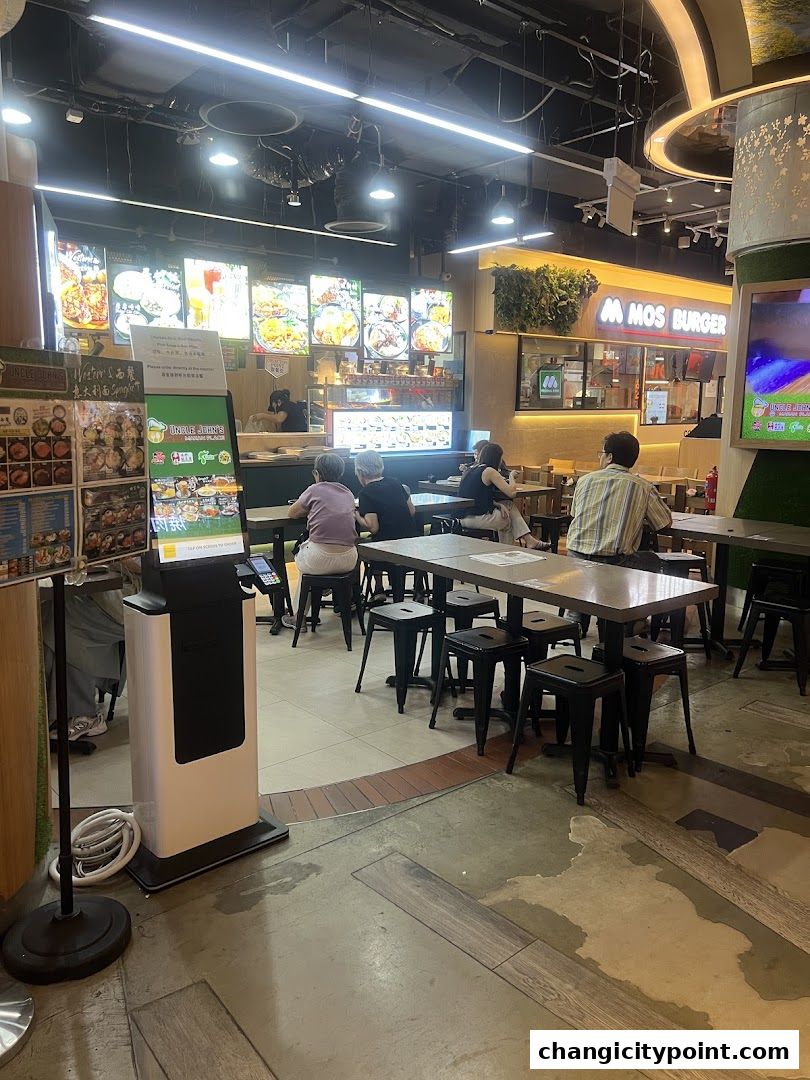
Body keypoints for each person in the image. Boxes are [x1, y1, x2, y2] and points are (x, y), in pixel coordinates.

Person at [564, 431, 672, 635]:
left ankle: (576, 614)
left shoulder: (585, 481)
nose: (599, 457)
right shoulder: (642, 486)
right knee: (652, 560)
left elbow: (575, 514)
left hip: (575, 559)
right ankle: (632, 618)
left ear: (610, 457)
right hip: (614, 562)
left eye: (601, 453)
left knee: (591, 565)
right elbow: (664, 523)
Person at [40, 558, 142, 740]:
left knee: (62, 618)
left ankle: (83, 714)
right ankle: (53, 709)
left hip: (138, 597)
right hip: (112, 587)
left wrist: (119, 556)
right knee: (51, 609)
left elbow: (150, 563)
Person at [284, 452, 358, 629]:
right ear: (340, 473)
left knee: (304, 564)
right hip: (349, 558)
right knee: (311, 562)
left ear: (317, 473)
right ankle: (324, 585)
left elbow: (292, 513)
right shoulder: (347, 492)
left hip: (319, 558)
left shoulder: (314, 489)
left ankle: (298, 618)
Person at [354, 450, 417, 603]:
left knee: (359, 545)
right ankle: (416, 589)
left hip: (386, 548)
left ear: (360, 472)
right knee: (375, 540)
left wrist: (355, 515)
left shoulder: (366, 493)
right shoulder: (395, 482)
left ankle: (368, 592)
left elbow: (373, 527)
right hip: (408, 544)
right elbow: (412, 511)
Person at [459, 442, 548, 548]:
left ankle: (528, 541)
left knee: (506, 505)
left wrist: (498, 505)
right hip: (475, 518)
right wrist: (511, 476)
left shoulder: (471, 469)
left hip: (462, 515)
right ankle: (507, 552)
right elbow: (511, 493)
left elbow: (477, 497)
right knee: (506, 520)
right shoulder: (489, 471)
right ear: (497, 458)